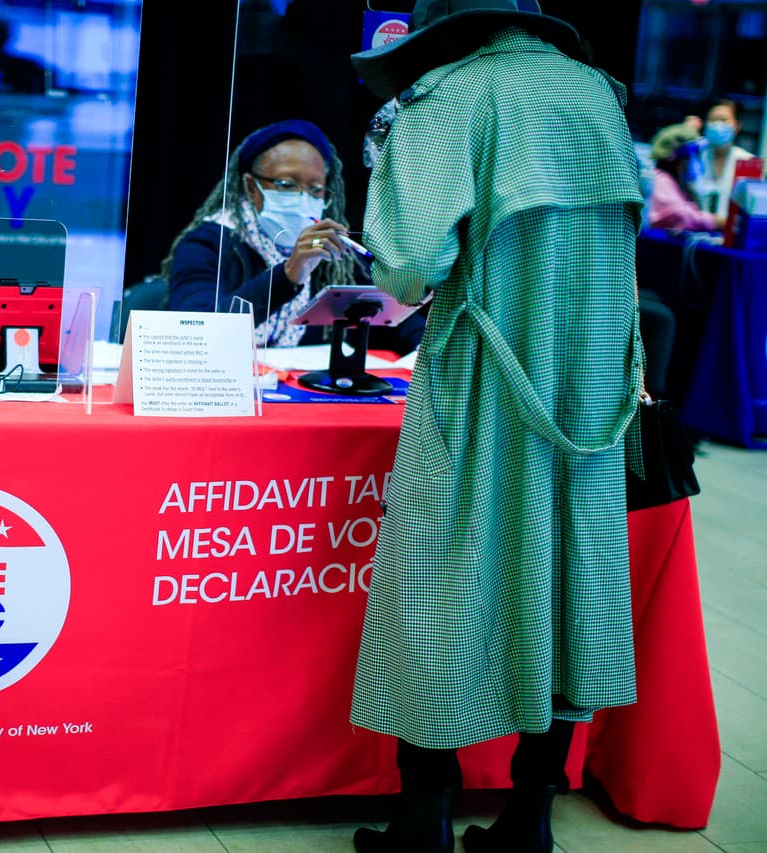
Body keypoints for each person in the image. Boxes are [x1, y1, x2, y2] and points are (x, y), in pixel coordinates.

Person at [347, 2, 645, 851]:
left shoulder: (447, 98)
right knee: (563, 578)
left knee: (442, 577)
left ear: (444, 31)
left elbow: (407, 270)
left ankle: (423, 819)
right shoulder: (597, 96)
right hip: (586, 386)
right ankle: (530, 819)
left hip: (485, 372)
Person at [160, 119, 423, 352]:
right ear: (251, 187)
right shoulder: (206, 246)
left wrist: (423, 348)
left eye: (316, 190)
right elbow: (196, 331)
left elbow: (400, 323)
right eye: (286, 184)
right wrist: (289, 274)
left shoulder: (330, 252)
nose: (302, 197)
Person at [647, 122, 723, 234]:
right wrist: (715, 221)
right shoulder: (659, 179)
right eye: (692, 157)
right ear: (675, 159)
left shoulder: (677, 183)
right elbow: (680, 215)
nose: (696, 161)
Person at [699, 98, 758, 221]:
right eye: (713, 120)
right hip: (692, 233)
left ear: (736, 127)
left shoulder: (748, 162)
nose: (717, 125)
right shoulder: (694, 158)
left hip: (732, 235)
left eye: (723, 120)